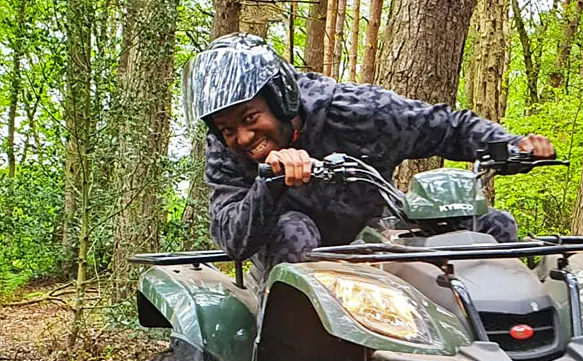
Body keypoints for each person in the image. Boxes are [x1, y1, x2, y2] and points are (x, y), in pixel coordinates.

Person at [182, 33, 556, 286]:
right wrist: (269, 184)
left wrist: (510, 145)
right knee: (293, 227)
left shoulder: (354, 112)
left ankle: (497, 343)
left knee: (490, 225)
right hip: (290, 268)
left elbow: (445, 127)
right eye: (227, 129)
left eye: (250, 119)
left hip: (379, 237)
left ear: (281, 99)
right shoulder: (226, 150)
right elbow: (232, 237)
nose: (242, 137)